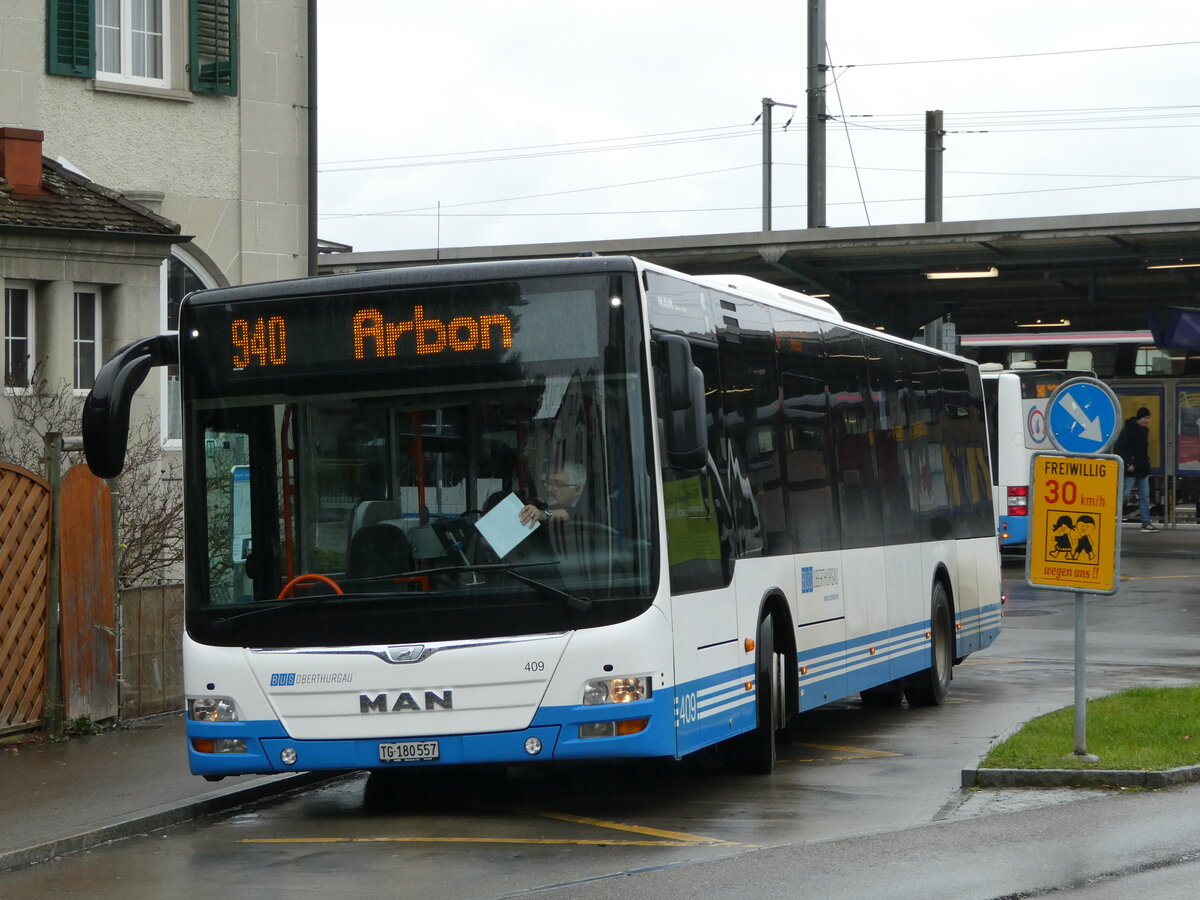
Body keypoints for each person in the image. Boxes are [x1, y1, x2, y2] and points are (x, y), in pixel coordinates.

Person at [1113, 406, 1157, 533]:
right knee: (1125, 494)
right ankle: (1112, 518)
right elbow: (1120, 448)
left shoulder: (1143, 431)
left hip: (1141, 468)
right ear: (1139, 417)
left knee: (1144, 496)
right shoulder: (1128, 430)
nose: (1146, 420)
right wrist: (1128, 463)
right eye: (1145, 418)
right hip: (1132, 469)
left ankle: (1145, 522)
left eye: (1148, 418)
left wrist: (1146, 461)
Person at [519, 462, 588, 528]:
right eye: (548, 483)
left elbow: (572, 513)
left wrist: (542, 514)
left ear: (576, 490)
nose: (549, 489)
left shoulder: (589, 509)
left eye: (558, 484)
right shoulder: (546, 504)